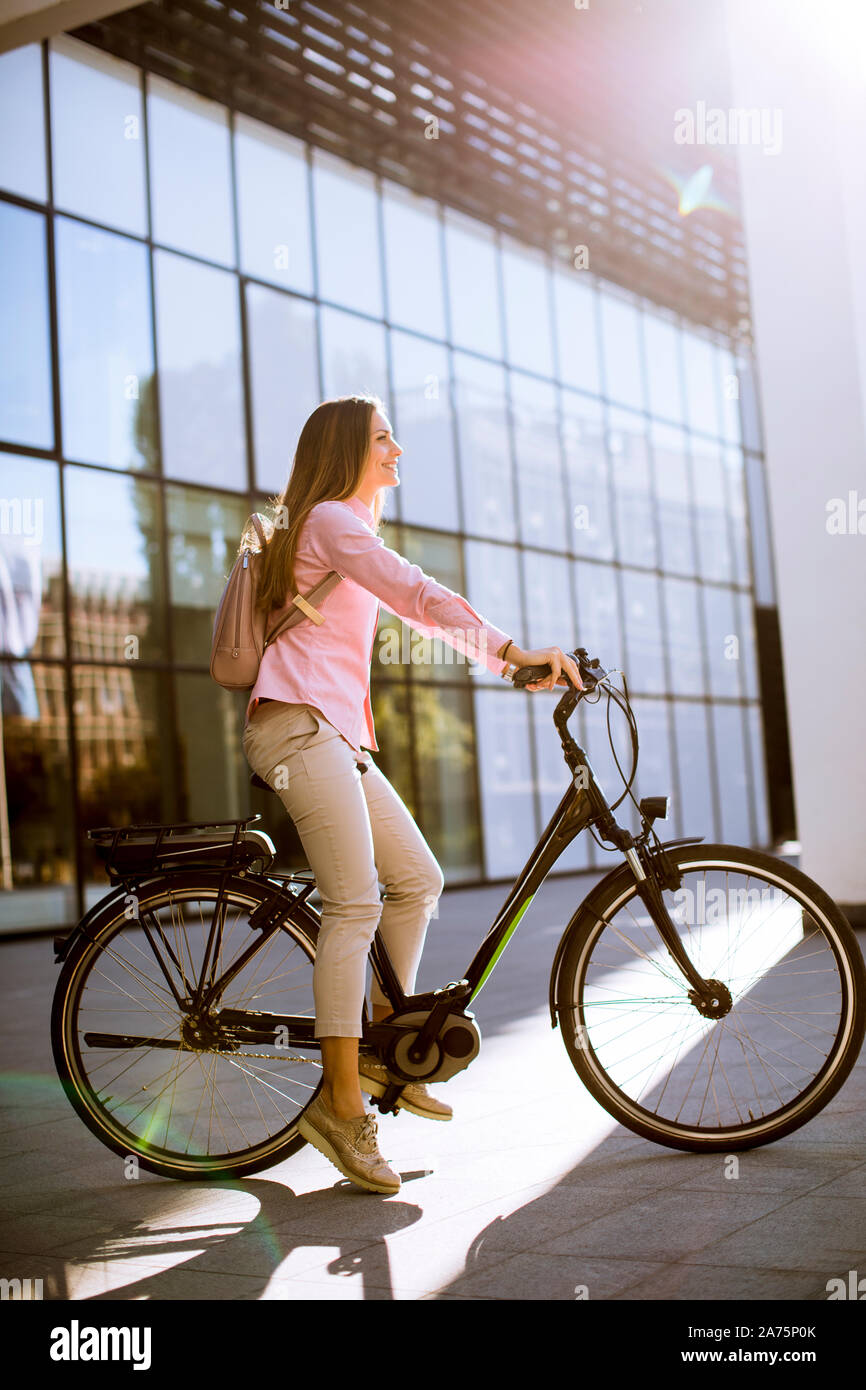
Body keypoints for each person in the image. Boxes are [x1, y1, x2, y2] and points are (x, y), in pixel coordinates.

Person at [241, 393, 583, 1195]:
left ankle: (377, 1051)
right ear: (346, 450)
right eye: (384, 439)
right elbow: (415, 595)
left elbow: (410, 603)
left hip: (334, 736)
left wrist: (506, 663)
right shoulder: (330, 519)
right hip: (296, 727)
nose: (398, 452)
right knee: (354, 902)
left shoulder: (338, 527)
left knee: (418, 879)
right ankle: (342, 1103)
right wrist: (508, 654)